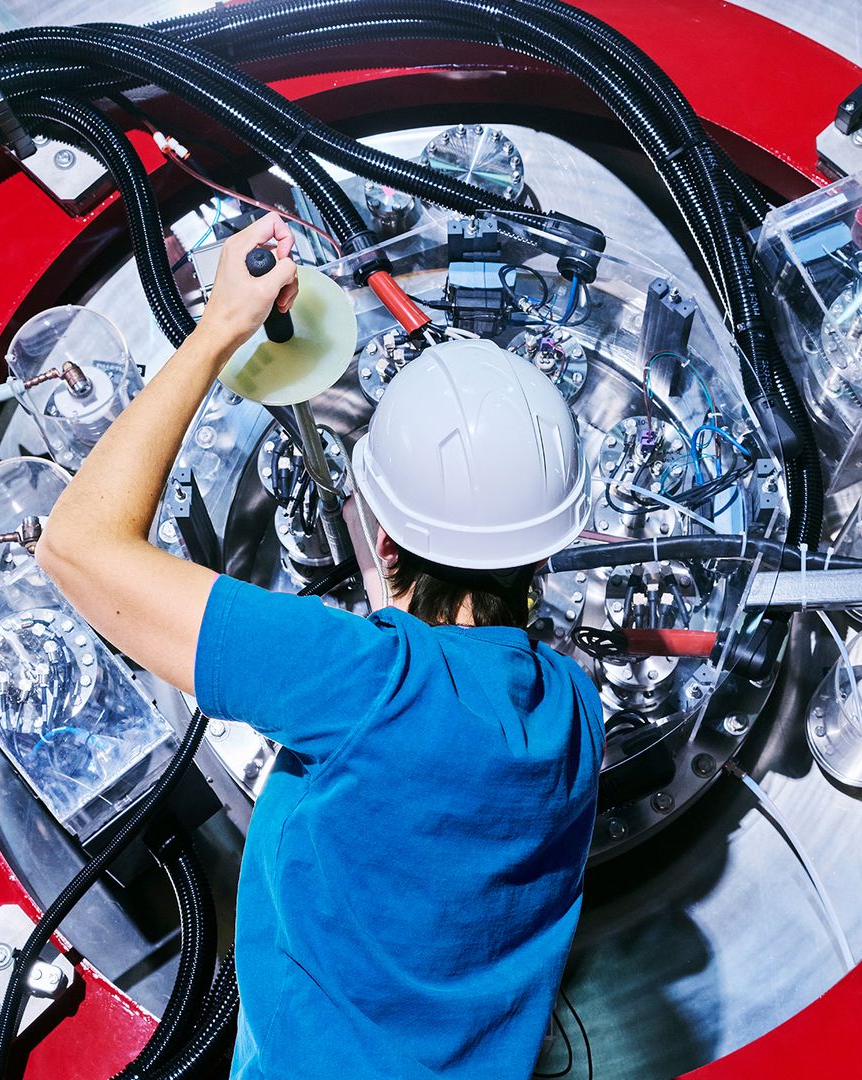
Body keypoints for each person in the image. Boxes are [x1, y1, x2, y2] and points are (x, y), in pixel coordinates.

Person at [39, 213, 604, 1078]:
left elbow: (75, 545)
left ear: (381, 542)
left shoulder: (361, 682)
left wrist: (218, 327)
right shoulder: (576, 710)